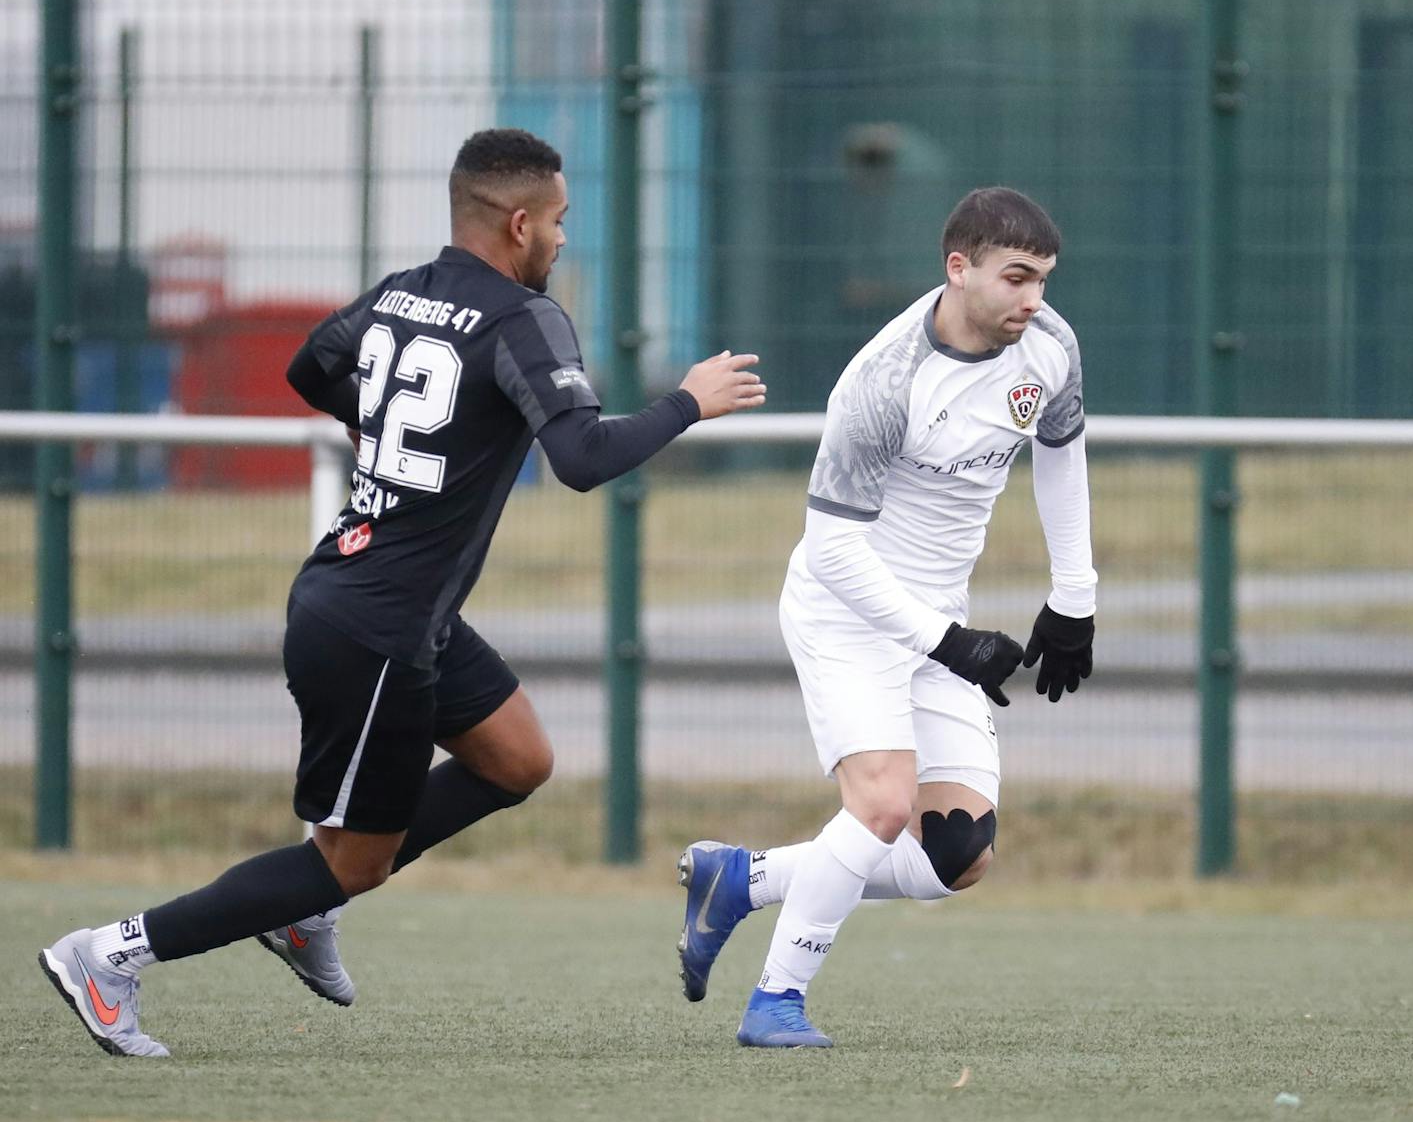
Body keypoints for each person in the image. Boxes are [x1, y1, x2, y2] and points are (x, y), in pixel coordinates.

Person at [38, 128, 766, 1056]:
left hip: (381, 603)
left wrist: (382, 436)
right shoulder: (522, 318)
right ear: (517, 222)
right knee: (352, 861)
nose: (562, 239)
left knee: (517, 759)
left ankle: (307, 906)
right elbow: (581, 459)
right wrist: (687, 402)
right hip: (376, 626)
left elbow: (311, 366)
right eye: (558, 221)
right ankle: (112, 953)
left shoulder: (401, 294)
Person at [672, 187, 1097, 1047]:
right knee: (882, 806)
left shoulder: (1048, 348)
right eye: (1016, 278)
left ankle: (741, 880)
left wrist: (1073, 598)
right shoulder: (883, 380)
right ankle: (775, 1002)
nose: (1033, 300)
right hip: (848, 613)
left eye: (1043, 281)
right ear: (958, 268)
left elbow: (1060, 451)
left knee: (958, 853)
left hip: (940, 619)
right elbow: (832, 552)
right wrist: (948, 641)